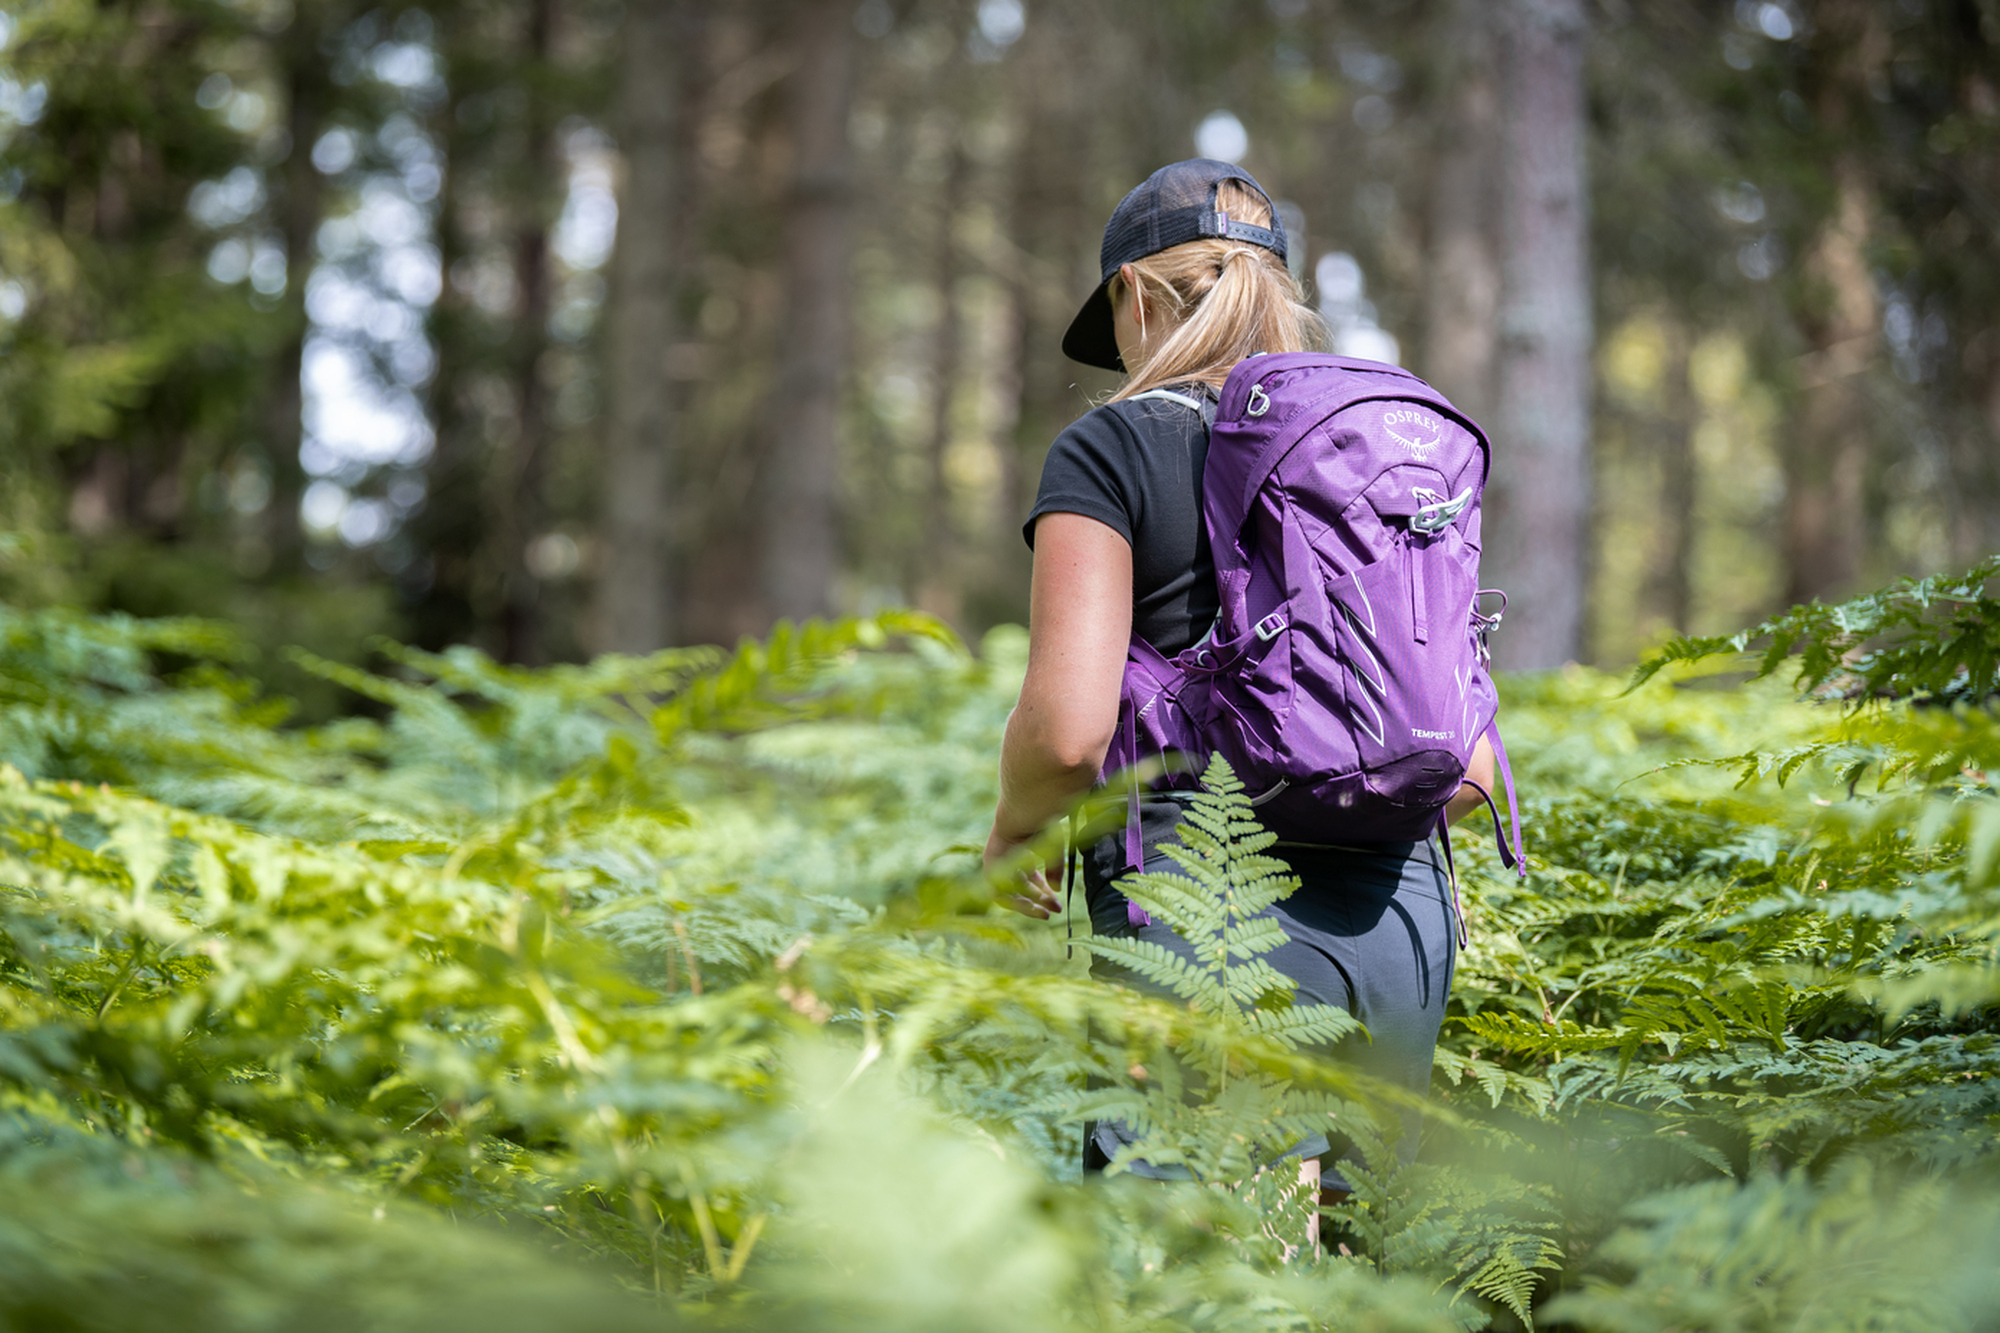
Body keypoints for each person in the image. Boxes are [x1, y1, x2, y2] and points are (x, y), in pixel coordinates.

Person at [981, 158, 1496, 1208]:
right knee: (1354, 1287)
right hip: (1399, 923)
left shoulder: (1111, 445)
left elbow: (1069, 734)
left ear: (1132, 294)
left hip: (1200, 914)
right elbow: (1470, 768)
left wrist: (1012, 839)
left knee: (1186, 1285)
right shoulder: (1380, 449)